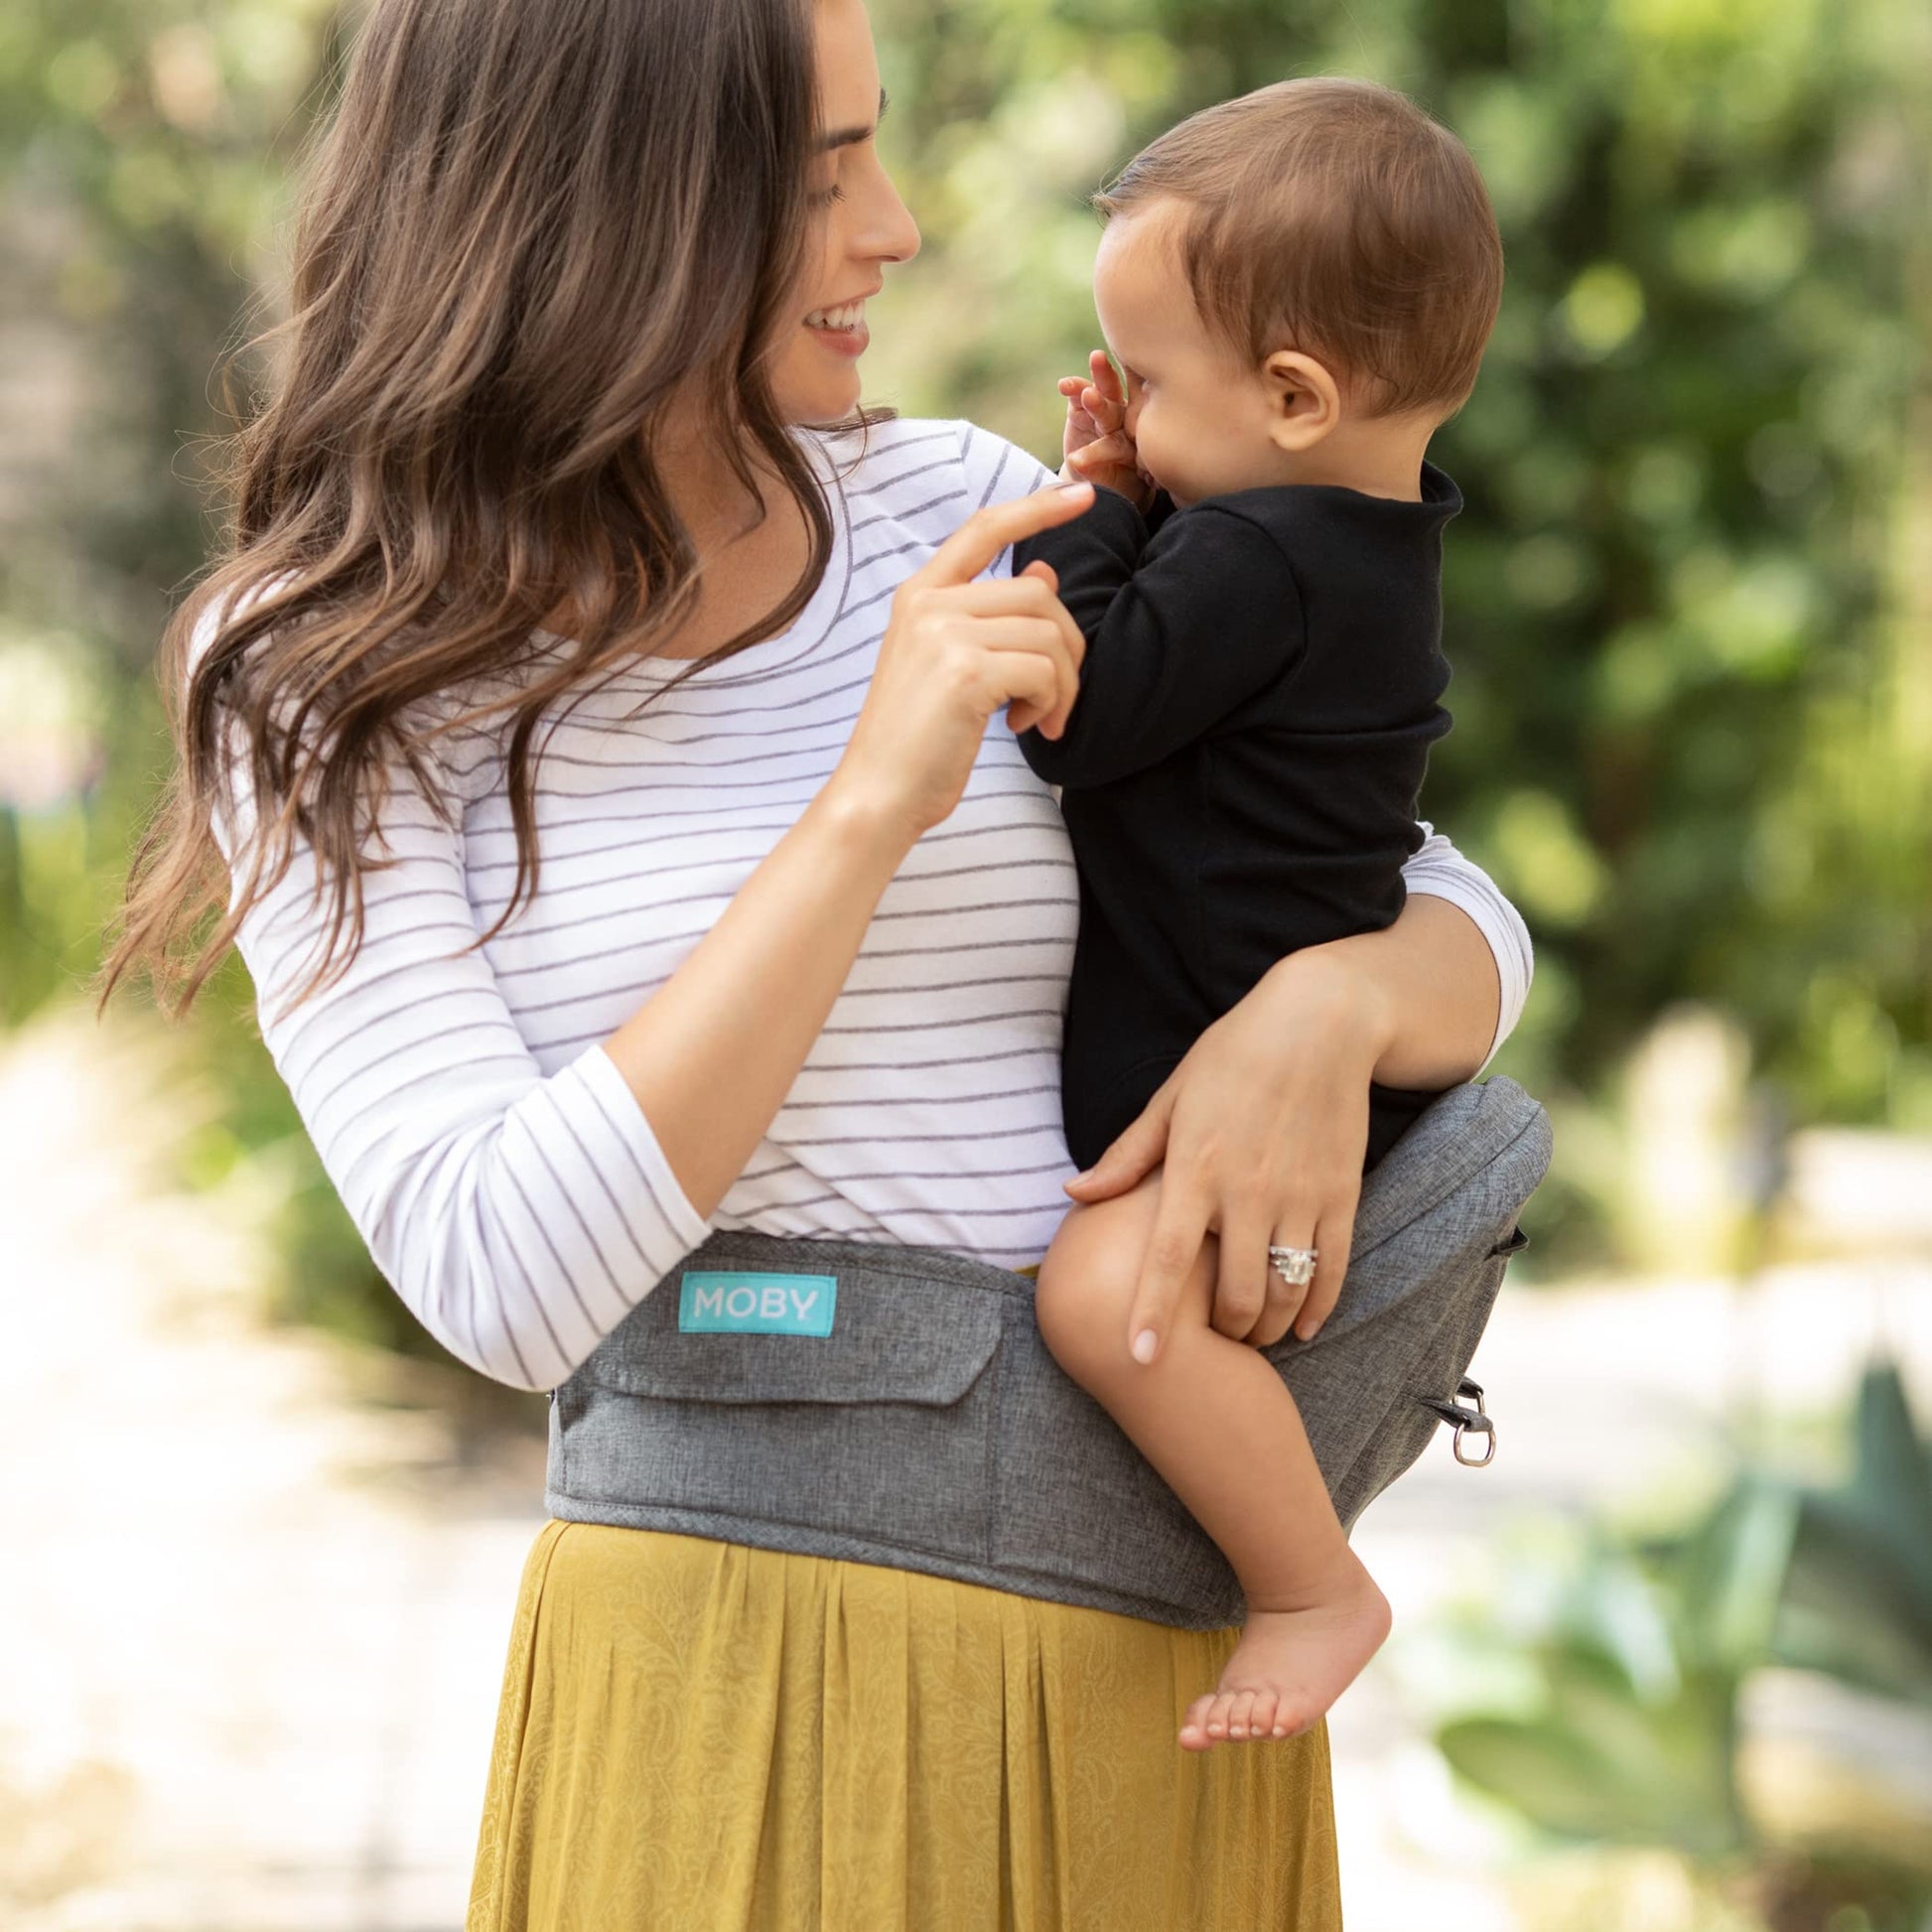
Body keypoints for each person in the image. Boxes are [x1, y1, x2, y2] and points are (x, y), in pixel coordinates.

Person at [98, 1, 1533, 1923]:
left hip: (1135, 1677)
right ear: (620, 204)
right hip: (706, 1703)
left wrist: (1332, 1000)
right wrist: (865, 806)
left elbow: (1446, 903)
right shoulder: (305, 681)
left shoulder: (968, 512)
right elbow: (496, 1273)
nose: (901, 230)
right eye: (827, 171)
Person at [1010, 78, 1505, 1752]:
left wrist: (1090, 512)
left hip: (1221, 1065)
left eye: (1143, 383)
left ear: (1293, 397)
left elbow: (1081, 712)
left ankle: (1308, 1582)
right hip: (1289, 1042)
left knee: (1097, 1297)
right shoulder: (1370, 543)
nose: (1121, 414)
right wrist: (1150, 480)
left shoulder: (1259, 560)